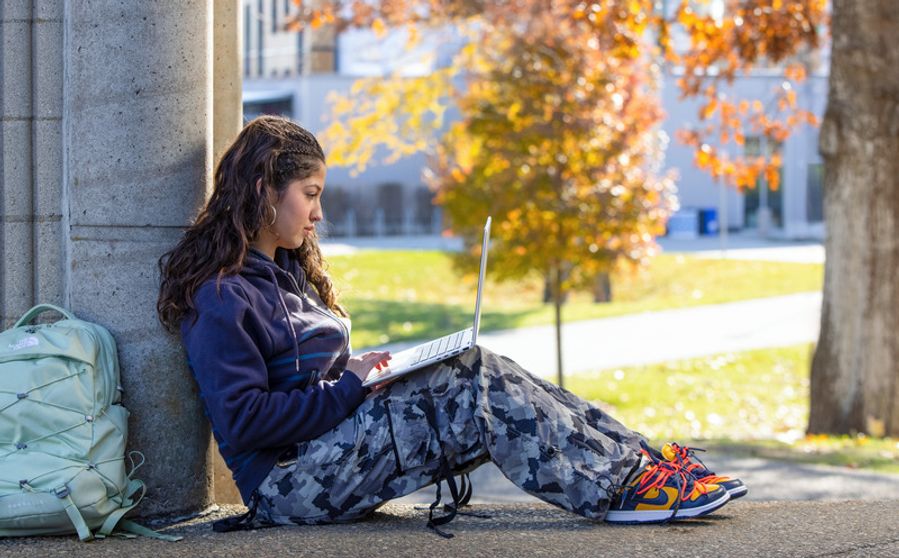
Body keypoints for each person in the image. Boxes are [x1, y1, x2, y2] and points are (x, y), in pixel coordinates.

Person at [157, 115, 745, 535]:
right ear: (264, 190)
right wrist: (350, 388)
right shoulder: (220, 296)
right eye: (310, 194)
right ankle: (618, 491)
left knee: (477, 363)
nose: (317, 213)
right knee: (472, 377)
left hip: (328, 452)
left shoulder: (284, 275)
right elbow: (245, 419)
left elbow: (312, 382)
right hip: (288, 485)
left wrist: (362, 373)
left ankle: (642, 465)